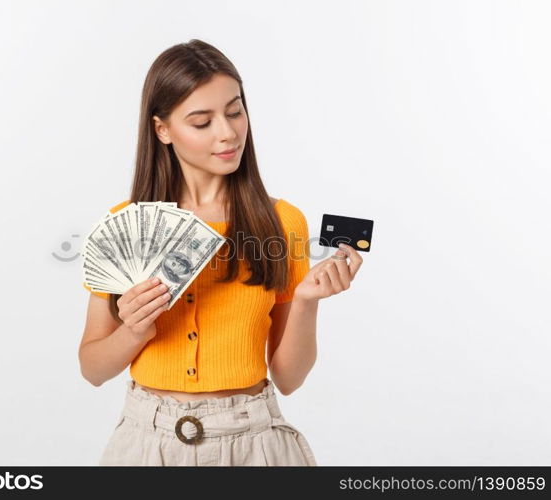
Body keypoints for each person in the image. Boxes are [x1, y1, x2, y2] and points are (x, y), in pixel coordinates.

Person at [78, 39, 364, 466]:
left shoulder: (282, 224)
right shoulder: (126, 225)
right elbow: (93, 368)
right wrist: (133, 330)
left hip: (254, 442)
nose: (228, 132)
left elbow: (288, 378)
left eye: (234, 111)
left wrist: (306, 302)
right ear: (162, 130)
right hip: (147, 444)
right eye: (202, 121)